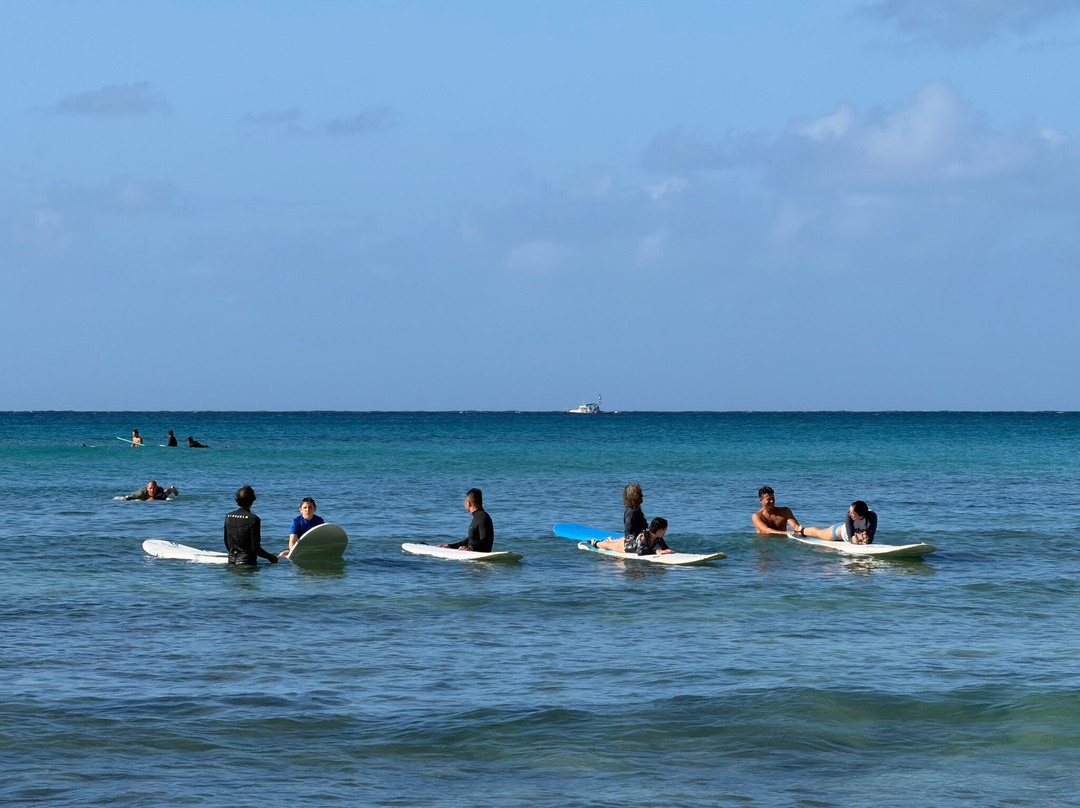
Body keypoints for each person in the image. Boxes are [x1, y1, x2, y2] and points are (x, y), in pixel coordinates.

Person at [223, 485, 278, 565]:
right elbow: (255, 548)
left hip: (231, 561)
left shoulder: (228, 516)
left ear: (237, 500)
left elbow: (227, 543)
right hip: (247, 563)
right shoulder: (253, 519)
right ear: (253, 500)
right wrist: (270, 557)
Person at [795, 501, 878, 545]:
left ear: (860, 514)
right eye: (850, 511)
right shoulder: (849, 516)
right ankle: (802, 530)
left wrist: (867, 539)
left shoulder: (872, 516)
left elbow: (870, 538)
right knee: (820, 533)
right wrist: (853, 540)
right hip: (838, 532)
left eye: (852, 513)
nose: (849, 514)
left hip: (852, 531)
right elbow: (850, 538)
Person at [439, 488, 494, 552]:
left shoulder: (482, 517)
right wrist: (451, 546)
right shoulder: (479, 517)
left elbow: (485, 540)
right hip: (472, 555)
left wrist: (472, 548)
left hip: (477, 555)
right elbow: (471, 539)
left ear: (469, 503)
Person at [593, 516, 675, 556]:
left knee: (613, 542)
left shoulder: (658, 538)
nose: (665, 532)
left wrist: (668, 550)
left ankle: (611, 540)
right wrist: (656, 551)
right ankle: (595, 542)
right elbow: (640, 552)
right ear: (660, 530)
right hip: (625, 546)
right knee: (606, 546)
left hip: (631, 540)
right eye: (665, 530)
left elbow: (664, 547)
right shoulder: (644, 537)